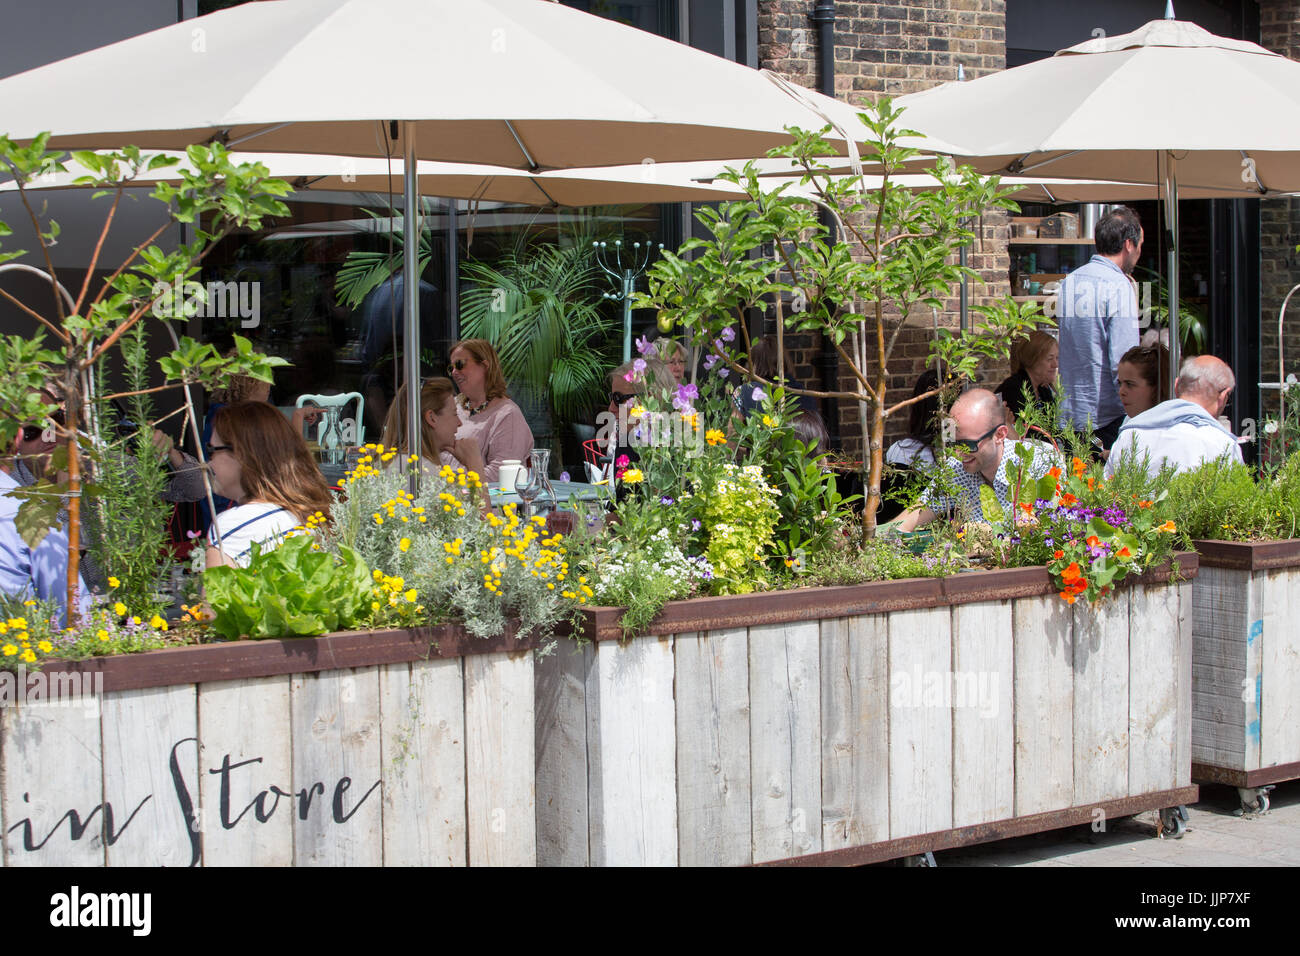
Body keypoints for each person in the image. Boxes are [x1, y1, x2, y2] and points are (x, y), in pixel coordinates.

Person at [896, 388, 1062, 531]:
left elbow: (1059, 532)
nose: (959, 454)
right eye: (953, 443)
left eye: (968, 444)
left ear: (1000, 435)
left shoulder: (1040, 463)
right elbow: (912, 517)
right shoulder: (956, 468)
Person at [205, 402, 335, 569]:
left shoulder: (231, 525)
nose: (208, 462)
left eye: (212, 450)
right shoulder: (313, 512)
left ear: (241, 454)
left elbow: (215, 595)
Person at [1056, 206, 1143, 448]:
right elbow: (1124, 362)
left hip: (1069, 415)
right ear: (1128, 244)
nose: (1138, 254)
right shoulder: (1118, 285)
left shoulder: (1069, 282)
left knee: (1074, 484)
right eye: (1139, 246)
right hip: (1106, 418)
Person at [1104, 354, 1243, 478]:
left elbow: (1108, 495)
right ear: (1224, 396)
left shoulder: (1129, 435)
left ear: (1176, 386)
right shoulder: (1223, 445)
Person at [447, 338, 534, 483]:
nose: (454, 372)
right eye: (451, 368)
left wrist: (449, 481)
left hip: (482, 501)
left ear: (485, 365)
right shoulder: (453, 406)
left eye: (460, 365)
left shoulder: (507, 414)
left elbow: (500, 474)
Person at [380, 377, 488, 479]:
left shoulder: (398, 463)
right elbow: (482, 499)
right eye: (454, 414)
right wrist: (475, 464)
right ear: (431, 418)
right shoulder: (422, 471)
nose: (459, 423)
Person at [995, 330, 1058, 428]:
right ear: (1032, 360)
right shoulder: (1013, 389)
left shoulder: (1043, 389)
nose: (1055, 365)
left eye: (1057, 358)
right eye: (1049, 359)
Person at [1114, 342, 1170, 423]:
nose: (1121, 392)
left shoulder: (1172, 427)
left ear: (1155, 387)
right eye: (1120, 384)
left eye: (1129, 384)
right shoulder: (1128, 421)